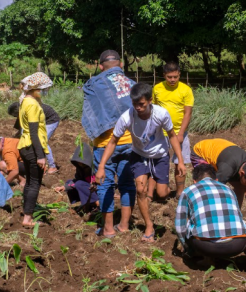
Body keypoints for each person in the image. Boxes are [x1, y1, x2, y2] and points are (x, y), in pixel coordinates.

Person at [95, 82, 186, 242]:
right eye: (135, 104)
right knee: (141, 190)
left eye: (141, 104)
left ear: (150, 100)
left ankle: (152, 178)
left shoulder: (161, 114)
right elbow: (113, 141)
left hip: (159, 155)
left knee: (162, 193)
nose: (138, 108)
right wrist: (101, 166)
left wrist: (180, 161)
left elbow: (172, 135)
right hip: (139, 155)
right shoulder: (126, 117)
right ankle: (149, 226)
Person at [175, 164, 246, 276]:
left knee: (191, 225)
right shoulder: (228, 189)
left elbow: (180, 227)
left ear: (194, 181)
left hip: (205, 246)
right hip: (236, 245)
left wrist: (187, 247)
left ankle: (207, 260)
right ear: (217, 179)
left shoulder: (188, 191)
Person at [82, 50, 136, 238]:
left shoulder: (94, 84)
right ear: (121, 65)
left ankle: (108, 229)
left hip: (106, 143)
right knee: (128, 184)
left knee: (105, 184)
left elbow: (90, 112)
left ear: (100, 65)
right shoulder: (133, 85)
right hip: (131, 142)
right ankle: (124, 225)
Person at [191, 139, 246, 224]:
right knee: (205, 185)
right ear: (242, 173)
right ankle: (199, 216)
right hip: (200, 153)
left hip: (224, 153)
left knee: (240, 187)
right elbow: (212, 191)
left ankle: (235, 216)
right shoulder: (227, 169)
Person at [153, 61, 194, 197]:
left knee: (179, 162)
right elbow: (153, 109)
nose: (172, 80)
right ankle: (157, 190)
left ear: (179, 75)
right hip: (160, 132)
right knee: (158, 160)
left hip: (178, 132)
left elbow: (187, 113)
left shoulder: (185, 89)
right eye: (169, 77)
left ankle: (180, 193)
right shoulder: (157, 88)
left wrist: (181, 133)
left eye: (175, 77)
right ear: (164, 75)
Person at [17, 72, 53, 228]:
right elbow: (33, 132)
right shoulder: (31, 104)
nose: (44, 91)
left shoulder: (26, 100)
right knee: (34, 183)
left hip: (25, 146)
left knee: (30, 182)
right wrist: (41, 156)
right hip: (32, 147)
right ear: (36, 88)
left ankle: (27, 210)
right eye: (42, 88)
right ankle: (28, 218)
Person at [8, 101, 60, 174]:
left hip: (50, 120)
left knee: (42, 142)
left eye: (16, 116)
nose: (16, 117)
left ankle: (52, 166)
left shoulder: (29, 110)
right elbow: (21, 128)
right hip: (41, 120)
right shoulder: (22, 109)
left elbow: (32, 129)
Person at [55, 142, 100, 213]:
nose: (80, 164)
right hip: (88, 188)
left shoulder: (95, 167)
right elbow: (77, 180)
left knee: (79, 184)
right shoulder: (80, 169)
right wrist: (64, 187)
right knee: (70, 182)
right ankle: (89, 203)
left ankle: (97, 203)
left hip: (97, 189)